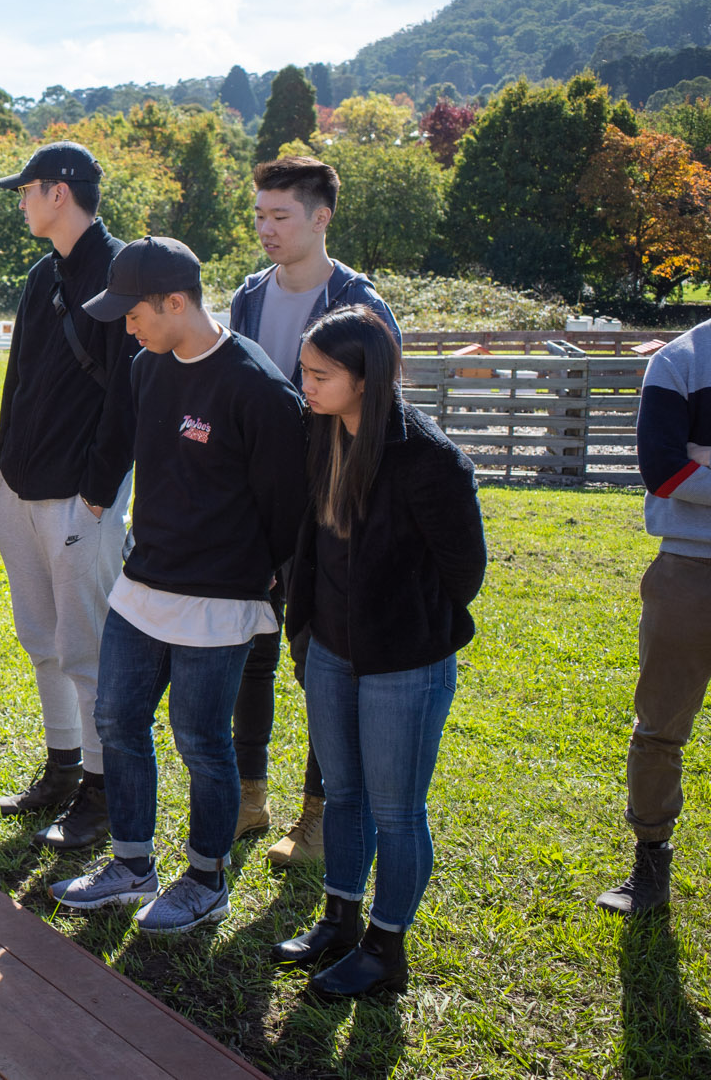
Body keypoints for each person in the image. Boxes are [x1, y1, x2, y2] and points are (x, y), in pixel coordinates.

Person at [50, 237, 307, 934]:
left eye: (133, 312)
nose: (125, 326)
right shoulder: (146, 368)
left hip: (221, 602)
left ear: (175, 301)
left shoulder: (259, 390)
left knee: (200, 740)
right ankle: (133, 866)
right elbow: (124, 447)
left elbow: (289, 515)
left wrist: (283, 607)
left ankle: (206, 878)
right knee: (118, 718)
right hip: (143, 584)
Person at [270, 305, 485, 998]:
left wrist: (405, 623)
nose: (305, 383)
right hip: (330, 649)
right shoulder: (322, 431)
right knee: (344, 794)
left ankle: (386, 947)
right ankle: (339, 918)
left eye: (319, 373)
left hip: (404, 663)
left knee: (397, 810)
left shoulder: (430, 459)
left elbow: (466, 572)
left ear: (365, 378)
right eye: (305, 370)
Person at [228, 154, 402, 866]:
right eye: (260, 214)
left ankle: (320, 816)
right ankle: (248, 794)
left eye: (281, 215)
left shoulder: (361, 303)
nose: (266, 228)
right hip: (253, 503)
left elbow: (385, 417)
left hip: (330, 507)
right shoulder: (246, 297)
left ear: (321, 217)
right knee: (250, 653)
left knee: (323, 661)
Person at [0, 141, 140, 849]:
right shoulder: (42, 273)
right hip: (22, 488)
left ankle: (102, 795)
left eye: (26, 189)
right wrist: (3, 470)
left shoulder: (122, 272)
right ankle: (62, 764)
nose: (19, 201)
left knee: (88, 649)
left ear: (58, 192)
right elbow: (17, 378)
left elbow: (128, 397)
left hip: (83, 498)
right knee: (41, 639)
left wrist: (100, 493)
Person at [597, 317, 711, 916]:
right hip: (689, 573)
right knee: (661, 725)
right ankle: (650, 861)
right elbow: (664, 470)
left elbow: (689, 470)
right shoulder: (680, 361)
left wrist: (704, 463)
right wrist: (687, 463)